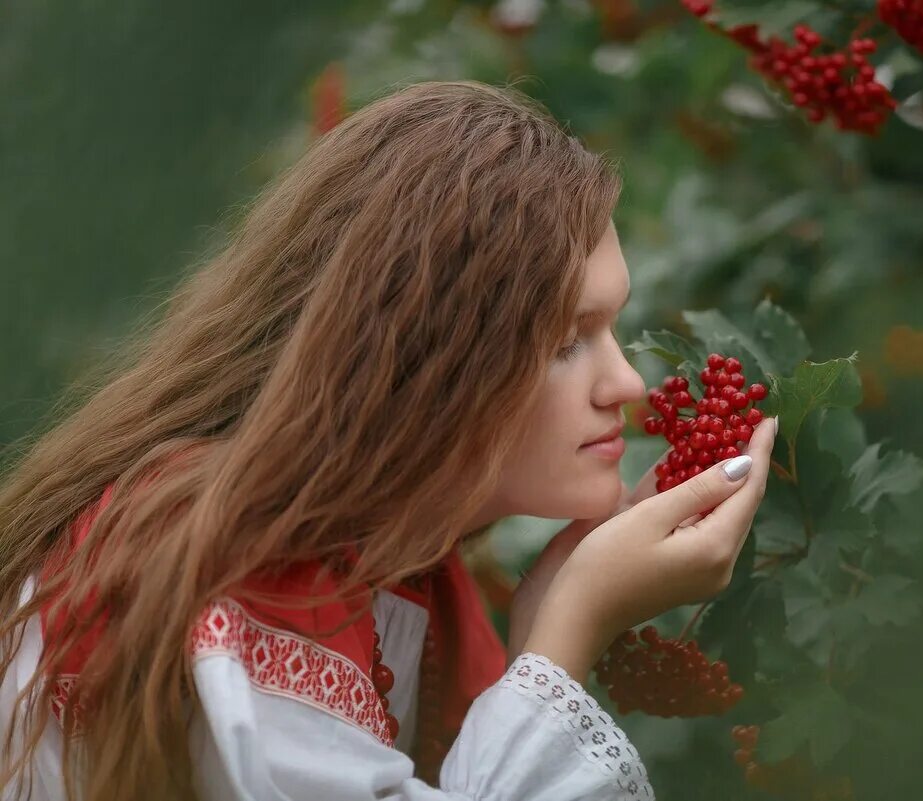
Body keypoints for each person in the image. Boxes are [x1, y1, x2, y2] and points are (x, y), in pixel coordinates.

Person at [0, 80, 775, 801]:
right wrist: (575, 622)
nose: (626, 385)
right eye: (565, 342)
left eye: (609, 328)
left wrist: (550, 615)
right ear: (428, 356)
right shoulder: (234, 568)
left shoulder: (399, 570)